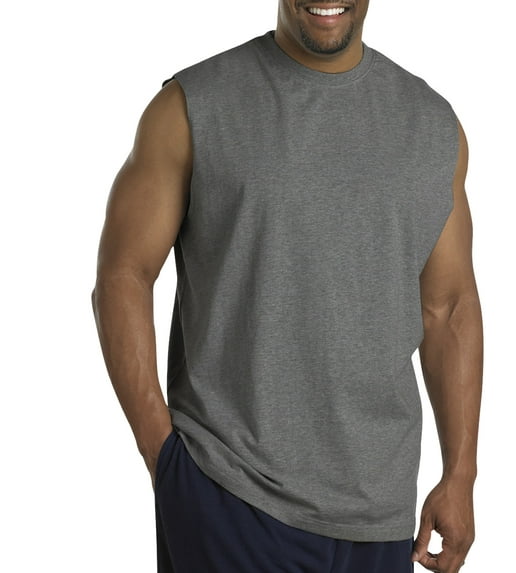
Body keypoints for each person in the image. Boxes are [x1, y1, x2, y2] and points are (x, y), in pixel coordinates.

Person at [92, 1, 483, 571]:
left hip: (380, 515)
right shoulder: (192, 105)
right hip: (230, 493)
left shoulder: (431, 124)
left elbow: (448, 307)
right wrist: (165, 457)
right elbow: (123, 273)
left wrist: (461, 474)